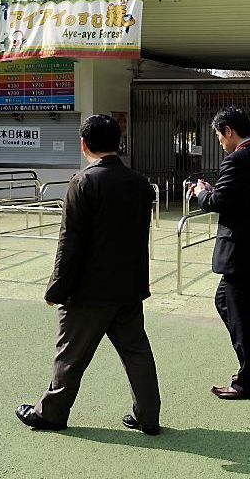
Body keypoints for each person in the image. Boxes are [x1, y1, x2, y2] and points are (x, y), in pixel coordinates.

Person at [16, 114, 161, 435]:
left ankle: (51, 413)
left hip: (88, 290)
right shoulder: (139, 183)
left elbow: (70, 243)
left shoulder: (83, 183)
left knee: (70, 354)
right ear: (117, 144)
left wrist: (56, 289)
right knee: (137, 352)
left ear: (84, 145)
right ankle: (148, 416)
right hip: (129, 286)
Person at [188, 106, 250, 399]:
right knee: (226, 302)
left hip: (241, 251)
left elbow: (219, 202)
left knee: (242, 316)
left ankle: (248, 381)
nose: (220, 143)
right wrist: (214, 191)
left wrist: (201, 194)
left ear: (229, 131)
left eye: (218, 137)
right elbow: (237, 198)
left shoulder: (236, 160)